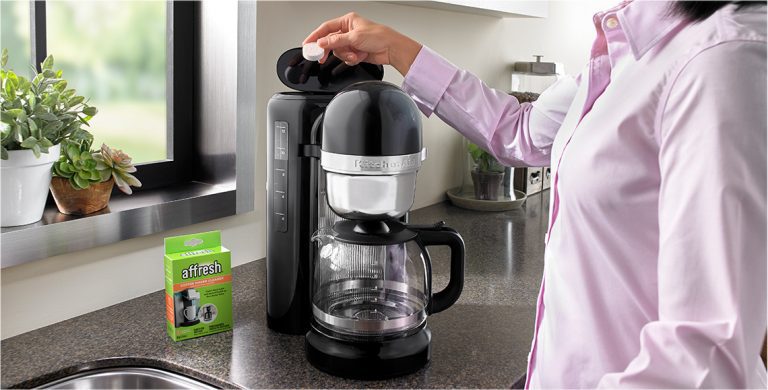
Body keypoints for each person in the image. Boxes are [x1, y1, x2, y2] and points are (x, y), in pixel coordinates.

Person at [304, 1, 767, 388]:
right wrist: (398, 50)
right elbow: (520, 132)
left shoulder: (722, 57)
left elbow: (707, 355)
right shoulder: (627, 45)